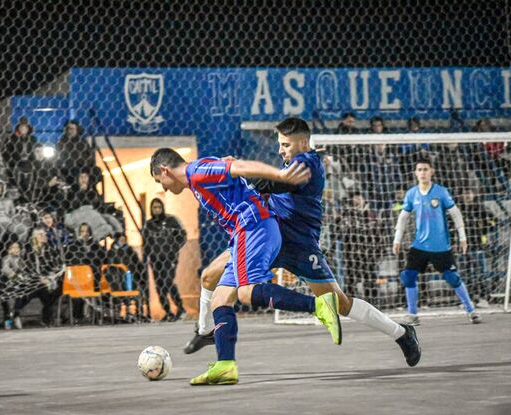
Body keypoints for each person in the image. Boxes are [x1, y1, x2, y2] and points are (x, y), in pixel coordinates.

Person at [184, 118, 420, 373]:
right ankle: (206, 331)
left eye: (285, 144)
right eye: (280, 144)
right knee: (212, 279)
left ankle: (401, 333)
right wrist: (229, 168)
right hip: (265, 236)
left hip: (299, 245)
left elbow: (274, 183)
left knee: (339, 303)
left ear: (303, 142)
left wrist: (230, 169)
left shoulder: (307, 164)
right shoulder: (292, 161)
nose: (280, 150)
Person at [150, 144, 341, 386]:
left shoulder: (197, 171)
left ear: (165, 170)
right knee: (220, 298)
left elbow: (239, 167)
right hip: (244, 233)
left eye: (160, 181)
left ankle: (320, 306)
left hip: (253, 227)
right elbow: (230, 162)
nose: (163, 188)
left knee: (246, 292)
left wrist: (280, 175)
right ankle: (225, 366)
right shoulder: (198, 174)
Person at [392, 158, 482, 325]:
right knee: (408, 276)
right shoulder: (412, 193)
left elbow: (455, 213)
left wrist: (463, 237)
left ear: (431, 171)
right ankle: (412, 314)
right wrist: (397, 239)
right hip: (419, 245)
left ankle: (471, 311)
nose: (423, 172)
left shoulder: (441, 192)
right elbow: (403, 217)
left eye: (426, 169)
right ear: (415, 173)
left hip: (441, 247)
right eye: (419, 169)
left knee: (453, 278)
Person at [143, 198, 187, 321]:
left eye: (159, 207)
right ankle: (167, 311)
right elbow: (145, 243)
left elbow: (182, 235)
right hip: (155, 259)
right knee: (159, 285)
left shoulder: (171, 221)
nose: (156, 210)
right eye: (154, 208)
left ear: (162, 208)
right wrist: (145, 258)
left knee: (168, 281)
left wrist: (174, 248)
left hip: (170, 258)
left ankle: (180, 308)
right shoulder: (149, 224)